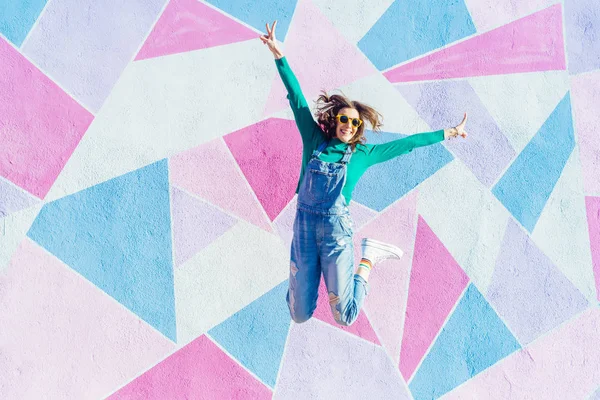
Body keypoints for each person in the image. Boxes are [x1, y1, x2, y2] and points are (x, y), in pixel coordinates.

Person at [260, 21, 468, 326]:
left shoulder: (362, 155)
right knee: (299, 314)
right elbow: (298, 101)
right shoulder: (315, 140)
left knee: (344, 315)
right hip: (304, 231)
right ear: (335, 120)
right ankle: (302, 283)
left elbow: (407, 144)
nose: (350, 126)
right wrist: (279, 56)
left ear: (359, 129)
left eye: (356, 123)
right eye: (345, 119)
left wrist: (448, 132)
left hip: (336, 236)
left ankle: (368, 259)